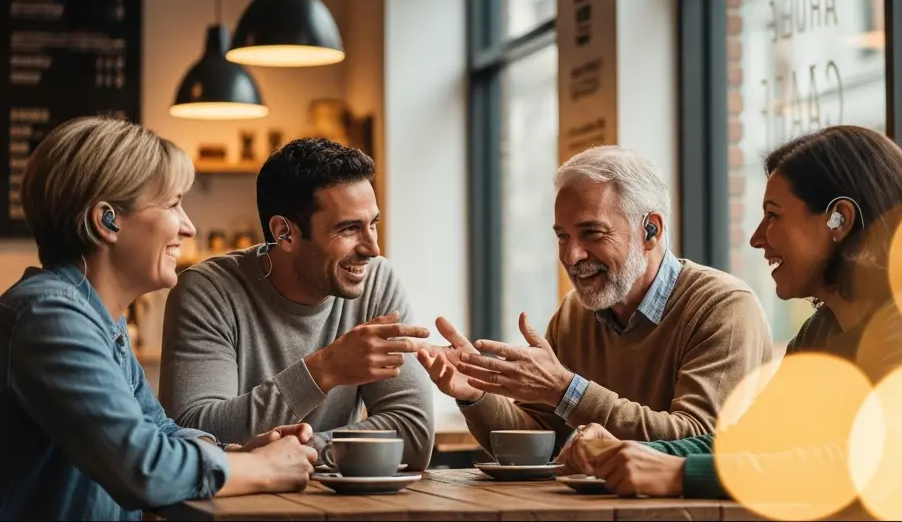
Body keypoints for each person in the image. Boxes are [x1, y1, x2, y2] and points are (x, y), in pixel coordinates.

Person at [565, 126, 902, 521]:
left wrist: (678, 472)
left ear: (838, 219)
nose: (757, 237)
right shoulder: (821, 330)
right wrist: (638, 456)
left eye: (773, 216)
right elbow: (752, 442)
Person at [0, 117, 318, 520]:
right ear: (108, 221)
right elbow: (144, 466)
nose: (189, 226)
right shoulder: (49, 317)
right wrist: (263, 469)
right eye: (172, 204)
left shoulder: (97, 320)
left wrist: (234, 454)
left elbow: (159, 433)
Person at [417, 145, 773, 459]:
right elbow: (539, 438)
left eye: (592, 233)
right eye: (562, 237)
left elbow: (699, 440)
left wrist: (565, 390)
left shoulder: (723, 308)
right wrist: (475, 395)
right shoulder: (573, 315)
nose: (571, 256)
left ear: (651, 230)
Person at [159, 138, 435, 471]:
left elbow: (413, 435)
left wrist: (295, 454)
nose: (372, 248)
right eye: (349, 228)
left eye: (372, 224)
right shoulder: (209, 291)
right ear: (284, 233)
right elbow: (192, 434)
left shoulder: (377, 282)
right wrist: (323, 370)